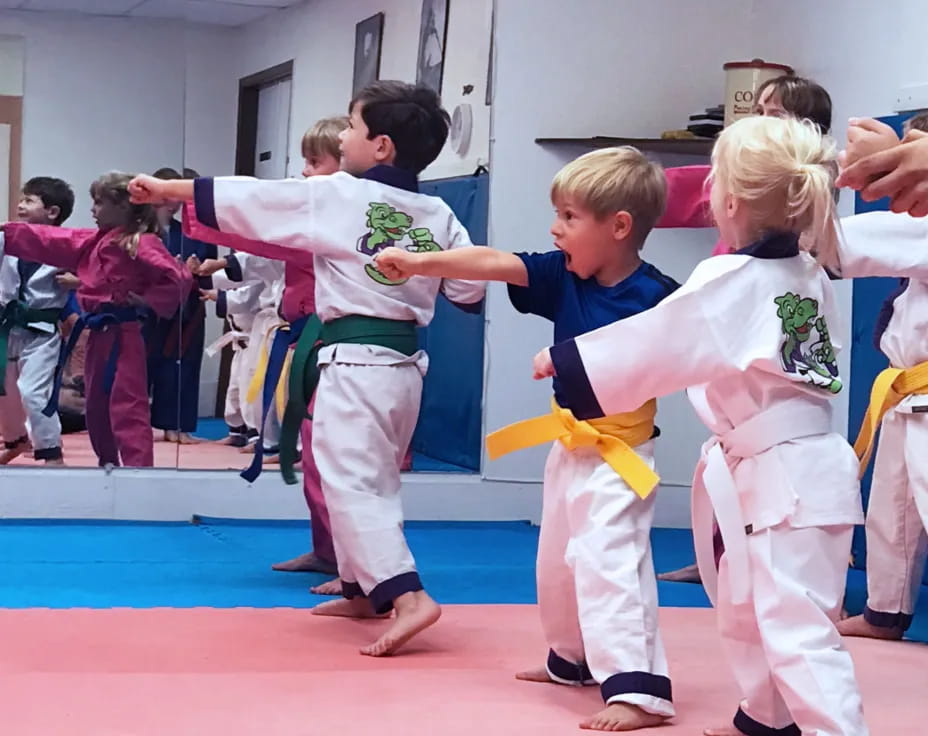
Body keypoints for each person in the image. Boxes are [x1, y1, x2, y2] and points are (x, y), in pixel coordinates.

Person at [533, 116, 868, 736]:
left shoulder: (734, 278)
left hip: (785, 475)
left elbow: (663, 340)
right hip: (789, 470)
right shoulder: (804, 268)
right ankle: (767, 717)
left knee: (796, 625)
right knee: (746, 608)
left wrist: (567, 361)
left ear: (729, 199)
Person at [128, 81, 486, 656]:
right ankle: (363, 589)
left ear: (382, 146)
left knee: (349, 482)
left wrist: (169, 187)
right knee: (375, 480)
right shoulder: (439, 211)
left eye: (351, 126)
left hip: (357, 363)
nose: (342, 136)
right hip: (403, 367)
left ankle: (407, 594)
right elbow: (468, 290)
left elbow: (259, 197)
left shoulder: (341, 195)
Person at [375, 146, 678, 731]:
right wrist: (423, 263)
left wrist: (563, 356)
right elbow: (494, 261)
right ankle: (572, 660)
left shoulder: (660, 297)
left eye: (569, 217)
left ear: (618, 227)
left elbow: (673, 357)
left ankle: (639, 689)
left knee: (610, 562)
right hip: (569, 447)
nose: (554, 228)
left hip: (622, 455)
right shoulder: (564, 275)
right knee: (556, 564)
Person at [655, 74, 834, 584]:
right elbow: (684, 191)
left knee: (773, 462)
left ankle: (801, 564)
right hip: (735, 340)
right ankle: (720, 553)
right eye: (755, 111)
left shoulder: (806, 199)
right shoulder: (736, 242)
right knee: (729, 446)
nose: (757, 121)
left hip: (773, 366)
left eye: (772, 114)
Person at [195, 117, 350, 595]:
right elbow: (262, 250)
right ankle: (328, 551)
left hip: (333, 345)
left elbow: (261, 235)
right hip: (303, 340)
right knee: (313, 454)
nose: (305, 173)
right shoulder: (310, 220)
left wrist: (189, 201)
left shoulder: (335, 222)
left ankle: (354, 564)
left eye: (314, 162)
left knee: (336, 461)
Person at [0, 172, 192, 467]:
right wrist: (6, 232)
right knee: (96, 407)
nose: (93, 210)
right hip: (97, 331)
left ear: (125, 207)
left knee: (127, 405)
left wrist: (146, 301)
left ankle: (138, 470)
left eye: (100, 203)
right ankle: (107, 464)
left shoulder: (141, 242)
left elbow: (177, 277)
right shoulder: (95, 240)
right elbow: (51, 238)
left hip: (123, 332)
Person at [835, 111, 928, 641]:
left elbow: (850, 243)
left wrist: (787, 229)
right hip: (902, 391)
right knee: (890, 516)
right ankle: (884, 611)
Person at [0, 177, 75, 465]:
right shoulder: (8, 236)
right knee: (4, 391)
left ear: (52, 212)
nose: (20, 204)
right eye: (21, 198)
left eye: (29, 200)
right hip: (8, 326)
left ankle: (51, 451)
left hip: (42, 332)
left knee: (32, 392)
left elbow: (94, 275)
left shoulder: (67, 246)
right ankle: (16, 441)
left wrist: (78, 281)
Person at [146, 167, 217, 445]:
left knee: (183, 365)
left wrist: (198, 275)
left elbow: (209, 270)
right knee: (142, 366)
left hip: (187, 306)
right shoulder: (140, 232)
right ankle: (135, 424)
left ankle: (177, 425)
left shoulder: (196, 234)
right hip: (148, 306)